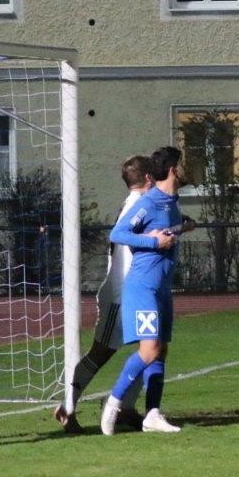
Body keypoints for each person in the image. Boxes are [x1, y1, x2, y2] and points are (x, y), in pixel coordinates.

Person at [55, 155, 155, 433]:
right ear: (148, 177)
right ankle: (66, 406)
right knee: (100, 353)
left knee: (151, 348)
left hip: (134, 291)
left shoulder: (139, 203)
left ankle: (126, 408)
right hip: (120, 295)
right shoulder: (136, 205)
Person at [100, 147, 183, 435]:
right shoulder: (149, 201)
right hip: (143, 288)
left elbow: (165, 228)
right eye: (182, 164)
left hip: (162, 289)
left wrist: (183, 227)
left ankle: (152, 415)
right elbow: (118, 233)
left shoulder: (172, 202)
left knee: (160, 351)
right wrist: (154, 243)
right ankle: (113, 405)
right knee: (149, 350)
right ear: (173, 169)